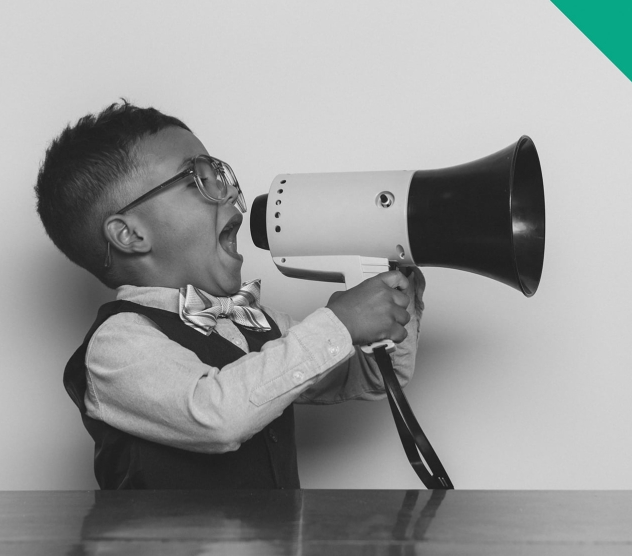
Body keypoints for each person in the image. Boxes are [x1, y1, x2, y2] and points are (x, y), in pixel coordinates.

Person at [35, 101, 424, 489]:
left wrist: (396, 290)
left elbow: (372, 377)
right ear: (130, 235)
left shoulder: (255, 323)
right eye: (197, 178)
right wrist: (338, 323)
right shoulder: (117, 345)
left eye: (220, 175)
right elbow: (217, 416)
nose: (229, 192)